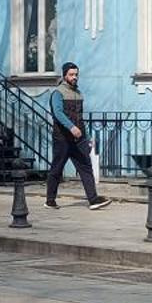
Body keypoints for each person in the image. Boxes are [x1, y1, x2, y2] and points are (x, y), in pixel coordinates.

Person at [44, 61, 109, 210]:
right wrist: (71, 127)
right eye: (71, 74)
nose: (75, 77)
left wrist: (86, 137)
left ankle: (93, 200)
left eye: (76, 75)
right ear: (65, 75)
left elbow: (80, 116)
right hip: (62, 138)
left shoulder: (78, 93)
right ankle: (50, 200)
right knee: (57, 168)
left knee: (86, 166)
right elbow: (58, 113)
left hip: (79, 138)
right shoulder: (58, 93)